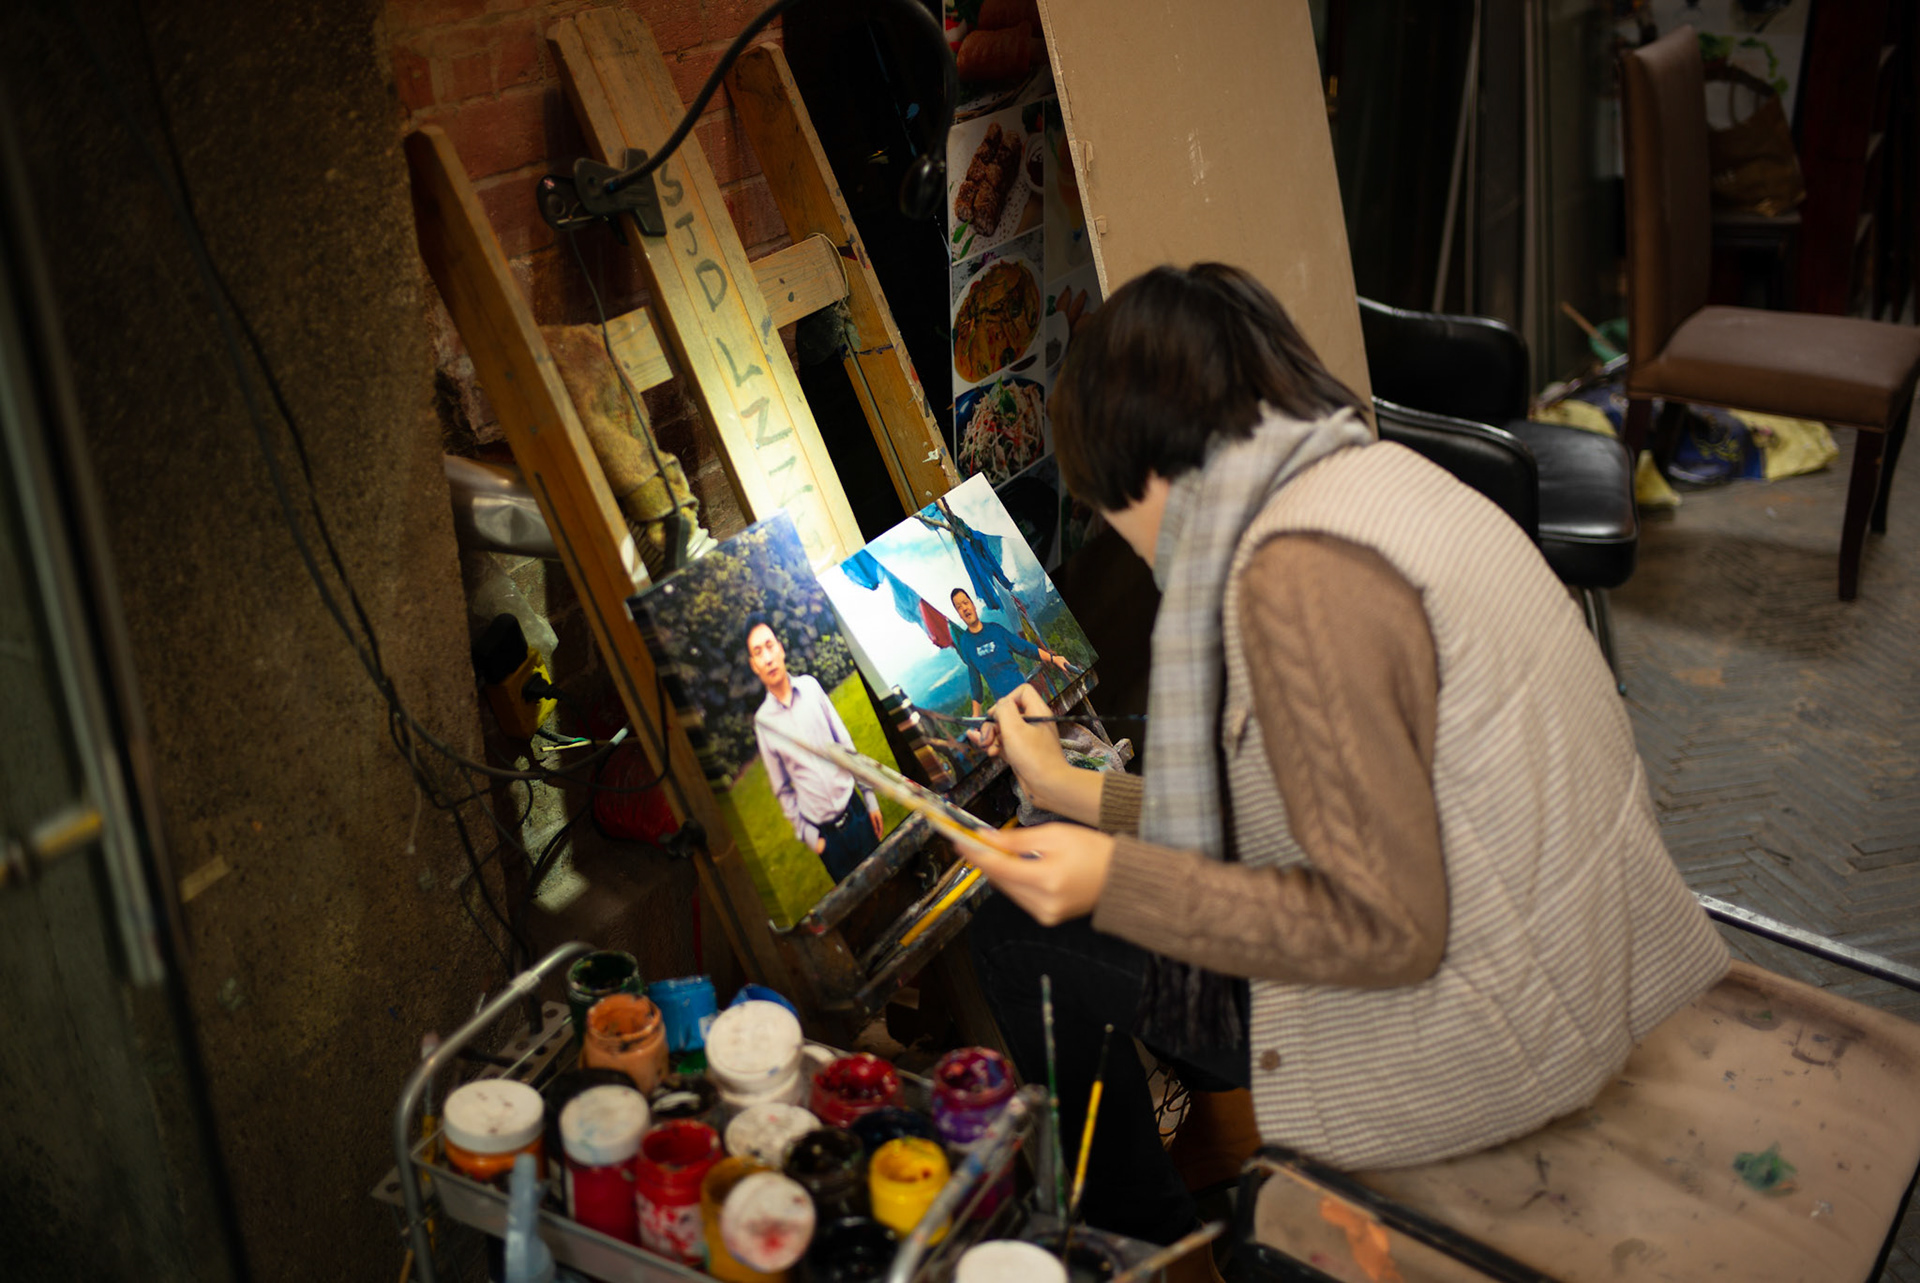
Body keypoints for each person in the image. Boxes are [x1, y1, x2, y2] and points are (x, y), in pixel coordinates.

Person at [957, 263, 1729, 1255]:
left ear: (1145, 466)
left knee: (1013, 934)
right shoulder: (1382, 481)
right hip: (1580, 956)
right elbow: (1288, 801)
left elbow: (1383, 926)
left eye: (1110, 505)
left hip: (1491, 1035)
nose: (1126, 537)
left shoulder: (1294, 582)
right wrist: (1069, 788)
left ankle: (1142, 1252)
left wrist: (1113, 877)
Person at [746, 614, 884, 881]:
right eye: (758, 652)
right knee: (861, 903)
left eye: (770, 646)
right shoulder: (763, 723)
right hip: (827, 839)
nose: (768, 658)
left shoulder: (810, 687)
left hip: (856, 813)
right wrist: (813, 839)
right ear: (754, 665)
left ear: (781, 649)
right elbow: (782, 789)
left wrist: (870, 798)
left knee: (890, 879)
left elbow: (845, 744)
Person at [949, 587, 1072, 720]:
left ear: (973, 605)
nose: (964, 608)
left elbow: (1025, 648)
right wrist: (976, 716)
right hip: (1008, 709)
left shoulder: (995, 630)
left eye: (966, 603)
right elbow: (975, 681)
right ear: (958, 613)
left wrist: (1054, 659)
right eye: (959, 607)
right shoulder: (966, 643)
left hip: (1025, 696)